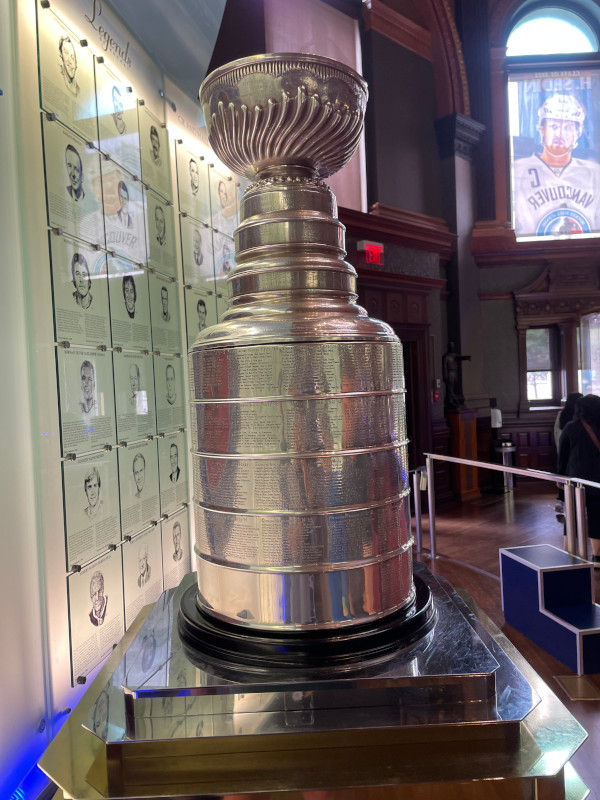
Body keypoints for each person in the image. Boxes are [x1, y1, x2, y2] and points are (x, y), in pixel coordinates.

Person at [512, 93, 600, 237]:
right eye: (553, 126)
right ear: (542, 129)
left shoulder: (594, 173)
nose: (560, 134)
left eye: (567, 128)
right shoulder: (517, 171)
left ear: (577, 133)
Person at [557, 393, 600, 566]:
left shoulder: (571, 427)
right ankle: (597, 556)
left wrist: (559, 477)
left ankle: (569, 554)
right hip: (597, 481)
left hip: (575, 481)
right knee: (597, 517)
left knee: (572, 516)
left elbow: (563, 456)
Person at [553, 392, 584, 523]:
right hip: (579, 455)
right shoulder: (583, 418)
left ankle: (562, 501)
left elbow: (556, 433)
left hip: (564, 452)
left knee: (564, 478)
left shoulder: (562, 415)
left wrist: (560, 450)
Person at [442, 341, 470, 409]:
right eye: (451, 346)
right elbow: (444, 366)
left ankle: (452, 400)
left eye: (453, 346)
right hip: (450, 373)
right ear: (449, 347)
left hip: (455, 372)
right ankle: (450, 401)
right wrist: (445, 375)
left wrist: (466, 357)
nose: (452, 347)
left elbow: (460, 358)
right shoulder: (446, 356)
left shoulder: (454, 355)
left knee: (453, 388)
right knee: (450, 388)